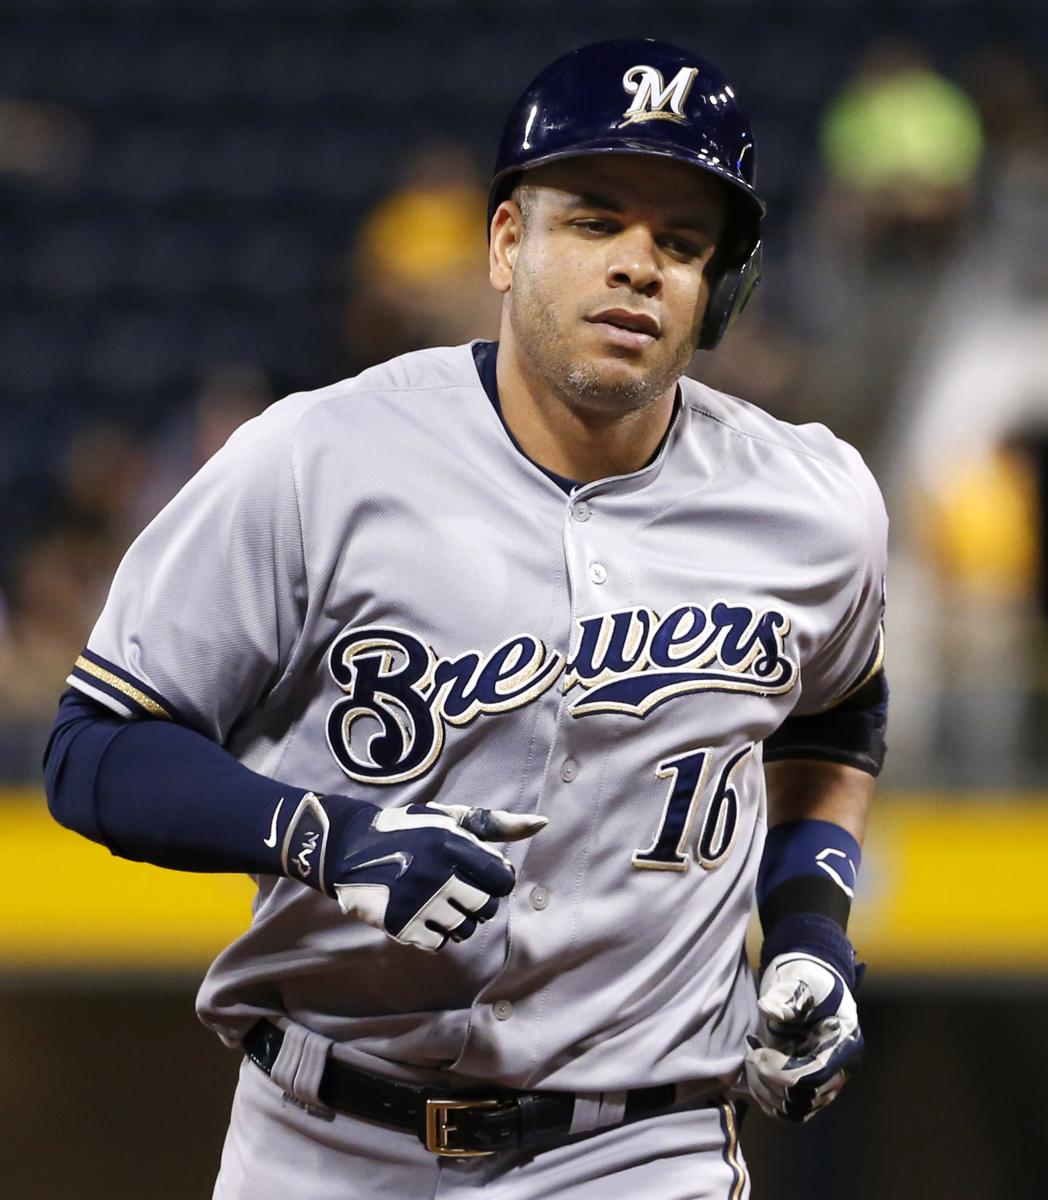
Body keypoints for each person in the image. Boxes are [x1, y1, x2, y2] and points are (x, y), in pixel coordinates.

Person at [44, 40, 888, 1199]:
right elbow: (96, 747)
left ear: (718, 291)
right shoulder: (317, 460)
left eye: (684, 244)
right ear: (504, 243)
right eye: (594, 221)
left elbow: (837, 715)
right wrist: (323, 836)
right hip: (323, 1141)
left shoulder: (811, 504)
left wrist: (810, 935)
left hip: (639, 1150)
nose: (638, 266)